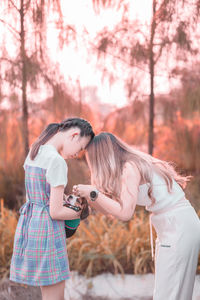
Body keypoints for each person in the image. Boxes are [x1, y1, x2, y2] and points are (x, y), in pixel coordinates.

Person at [72, 132, 200, 300]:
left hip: (178, 227)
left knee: (169, 294)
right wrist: (91, 197)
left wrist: (94, 193)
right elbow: (113, 210)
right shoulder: (129, 166)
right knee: (175, 293)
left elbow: (125, 214)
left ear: (101, 157)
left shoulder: (130, 168)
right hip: (178, 225)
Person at [10, 117, 95, 300]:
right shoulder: (57, 161)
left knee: (47, 294)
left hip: (32, 227)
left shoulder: (36, 150)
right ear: (74, 135)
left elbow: (36, 196)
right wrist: (79, 212)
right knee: (55, 297)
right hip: (49, 233)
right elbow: (55, 212)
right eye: (80, 148)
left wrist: (62, 198)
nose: (78, 154)